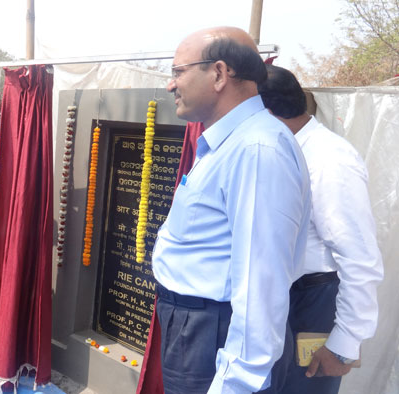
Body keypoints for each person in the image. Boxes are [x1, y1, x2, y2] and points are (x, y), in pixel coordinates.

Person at [151, 27, 312, 393]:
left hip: (215, 333)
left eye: (178, 72)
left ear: (220, 74)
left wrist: (236, 383)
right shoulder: (233, 142)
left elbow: (261, 284)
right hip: (197, 327)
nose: (170, 85)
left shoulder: (257, 150)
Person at [258, 64, 384, 394]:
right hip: (280, 302)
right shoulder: (280, 149)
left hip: (312, 305)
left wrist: (344, 344)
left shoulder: (330, 159)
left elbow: (359, 258)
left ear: (266, 113)